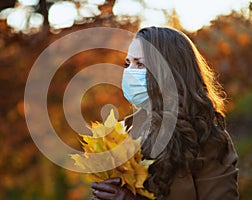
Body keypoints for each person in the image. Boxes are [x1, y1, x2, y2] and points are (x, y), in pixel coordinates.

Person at [90, 26, 239, 200]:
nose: (129, 72)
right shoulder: (126, 132)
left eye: (140, 64)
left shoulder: (206, 138)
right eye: (127, 63)